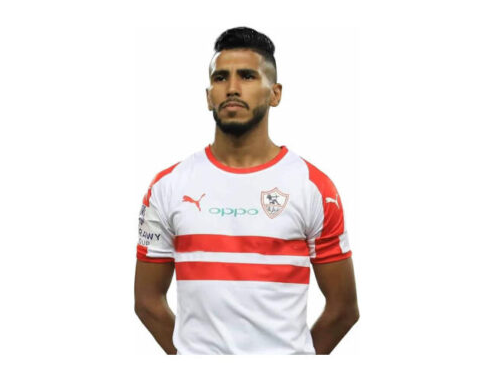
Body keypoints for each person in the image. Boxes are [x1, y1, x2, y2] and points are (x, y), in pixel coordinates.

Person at [134, 27, 359, 355]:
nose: (232, 88)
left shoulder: (313, 187)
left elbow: (344, 310)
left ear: (275, 94)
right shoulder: (167, 187)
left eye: (248, 76)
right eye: (221, 78)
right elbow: (146, 301)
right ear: (209, 95)